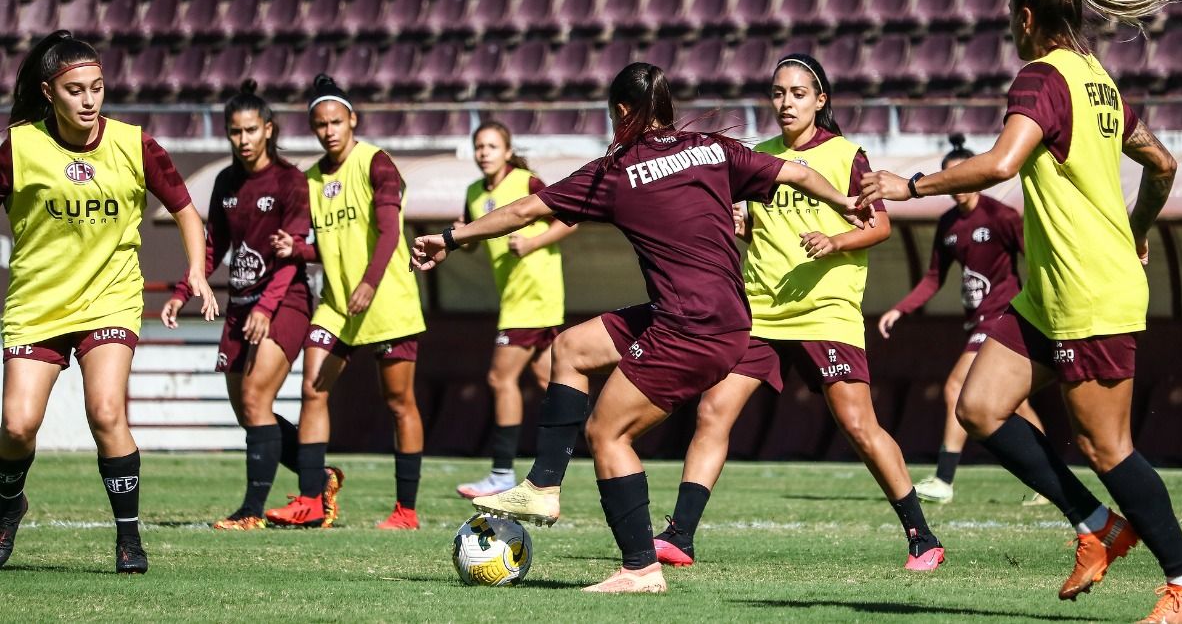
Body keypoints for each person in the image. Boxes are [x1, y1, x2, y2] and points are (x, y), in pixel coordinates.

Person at [412, 62, 873, 593]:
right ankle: (543, 483)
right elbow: (796, 172)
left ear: (624, 112)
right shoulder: (710, 147)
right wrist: (841, 200)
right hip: (725, 317)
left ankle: (639, 569)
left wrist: (451, 238)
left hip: (690, 327)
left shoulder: (616, 169)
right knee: (572, 348)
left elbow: (525, 211)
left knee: (608, 433)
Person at [857, 0, 1182, 620]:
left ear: (1026, 17)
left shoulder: (1041, 76)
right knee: (981, 406)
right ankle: (1096, 524)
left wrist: (912, 184)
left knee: (1107, 446)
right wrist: (1136, 225)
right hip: (1049, 289)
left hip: (1088, 291)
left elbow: (1003, 161)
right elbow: (1161, 162)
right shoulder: (1098, 80)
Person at [651, 54, 944, 572]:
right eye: (779, 93)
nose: (786, 103)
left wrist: (834, 240)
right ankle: (680, 536)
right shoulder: (756, 156)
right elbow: (752, 229)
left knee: (857, 424)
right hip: (760, 311)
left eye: (798, 93)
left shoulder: (846, 156)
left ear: (820, 99)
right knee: (713, 412)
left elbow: (878, 226)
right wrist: (741, 226)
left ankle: (922, 536)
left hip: (826, 312)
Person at [0, 30, 217, 573]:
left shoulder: (134, 143)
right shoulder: (19, 147)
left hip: (109, 299)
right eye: (76, 90)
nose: (90, 100)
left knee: (106, 410)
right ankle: (8, 509)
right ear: (49, 92)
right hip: (37, 304)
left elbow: (187, 209)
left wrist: (197, 268)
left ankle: (128, 539)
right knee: (17, 426)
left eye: (97, 87)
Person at [161, 80, 328, 530]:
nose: (244, 140)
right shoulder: (225, 181)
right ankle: (321, 478)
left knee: (257, 397)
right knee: (248, 410)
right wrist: (184, 289)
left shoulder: (292, 181)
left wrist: (266, 308)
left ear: (269, 130)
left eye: (252, 130)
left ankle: (252, 512)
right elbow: (212, 245)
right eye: (235, 132)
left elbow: (292, 253)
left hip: (286, 301)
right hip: (240, 305)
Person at [267, 75, 426, 530]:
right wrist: (297, 250)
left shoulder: (376, 163)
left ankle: (406, 511)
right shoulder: (311, 179)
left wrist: (371, 284)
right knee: (312, 389)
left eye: (336, 121)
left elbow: (390, 231)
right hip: (337, 305)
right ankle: (313, 499)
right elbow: (333, 245)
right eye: (320, 124)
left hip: (387, 300)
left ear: (352, 119)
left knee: (399, 403)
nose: (329, 130)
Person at [878, 133, 1047, 506]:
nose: (957, 188)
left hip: (1002, 318)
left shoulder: (1001, 216)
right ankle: (1050, 480)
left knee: (956, 386)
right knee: (1016, 404)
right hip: (977, 322)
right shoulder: (949, 224)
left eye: (963, 178)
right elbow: (933, 278)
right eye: (950, 181)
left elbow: (1034, 258)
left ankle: (944, 478)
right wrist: (899, 308)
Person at [454, 121, 575, 499]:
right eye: (480, 146)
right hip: (517, 298)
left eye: (492, 146)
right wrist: (463, 236)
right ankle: (598, 446)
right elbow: (478, 239)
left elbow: (570, 219)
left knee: (499, 379)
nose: (484, 152)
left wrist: (533, 242)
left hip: (534, 296)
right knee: (551, 383)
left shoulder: (527, 182)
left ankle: (502, 472)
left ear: (507, 151)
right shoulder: (474, 192)